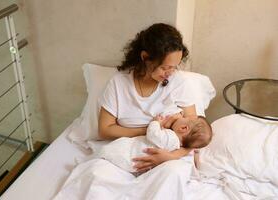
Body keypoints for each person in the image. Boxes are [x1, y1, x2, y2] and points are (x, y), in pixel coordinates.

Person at [54, 23, 215, 199]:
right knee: (96, 175)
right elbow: (105, 129)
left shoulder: (179, 82)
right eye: (164, 67)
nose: (170, 72)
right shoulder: (119, 84)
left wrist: (170, 156)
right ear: (146, 57)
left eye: (174, 66)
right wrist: (151, 130)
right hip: (127, 153)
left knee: (173, 175)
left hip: (169, 157)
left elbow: (193, 133)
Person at [97, 113, 212, 175]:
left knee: (114, 151)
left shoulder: (171, 137)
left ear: (183, 128)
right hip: (140, 160)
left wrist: (156, 122)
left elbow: (153, 135)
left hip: (131, 152)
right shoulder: (178, 145)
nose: (180, 116)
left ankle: (103, 155)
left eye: (184, 117)